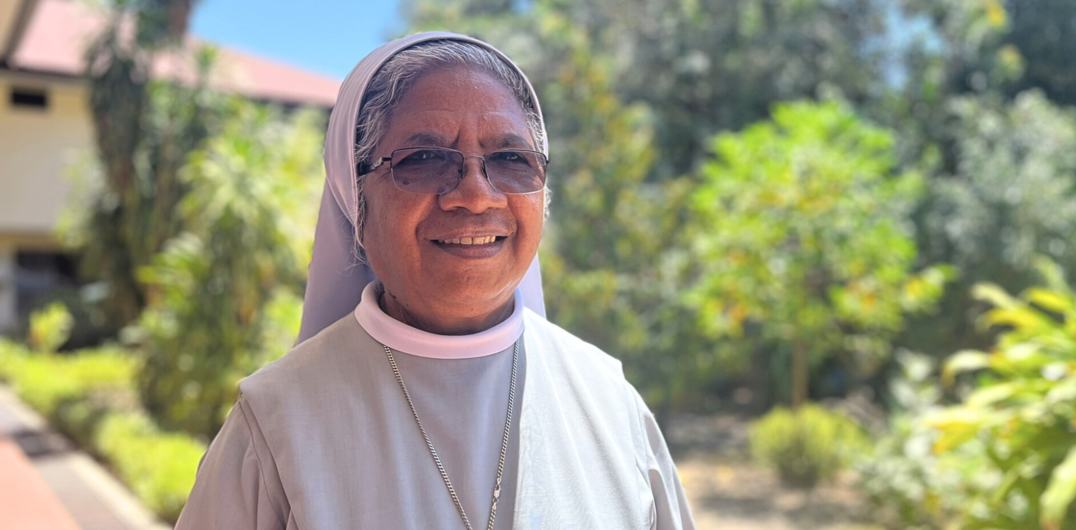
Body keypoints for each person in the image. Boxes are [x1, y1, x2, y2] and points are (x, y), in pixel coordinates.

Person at [175, 31, 694, 529]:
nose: (475, 195)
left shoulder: (609, 400)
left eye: (511, 159)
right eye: (423, 159)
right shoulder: (276, 420)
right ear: (356, 198)